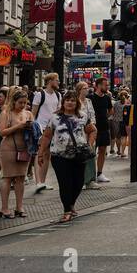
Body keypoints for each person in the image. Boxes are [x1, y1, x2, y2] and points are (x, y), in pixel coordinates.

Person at [37, 93, 96, 223]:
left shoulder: (82, 116)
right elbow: (47, 136)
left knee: (79, 182)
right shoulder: (55, 117)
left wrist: (89, 144)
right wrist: (41, 153)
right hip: (60, 155)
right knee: (65, 183)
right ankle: (67, 210)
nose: (70, 103)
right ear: (63, 102)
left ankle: (70, 204)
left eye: (73, 101)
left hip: (79, 154)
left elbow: (92, 130)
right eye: (67, 100)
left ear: (77, 103)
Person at [0, 90, 33, 219]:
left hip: (24, 148)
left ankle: (19, 207)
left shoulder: (28, 114)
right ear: (14, 101)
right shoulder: (6, 113)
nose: (22, 105)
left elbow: (33, 132)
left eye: (25, 102)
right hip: (9, 148)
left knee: (21, 178)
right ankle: (4, 208)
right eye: (20, 102)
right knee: (8, 177)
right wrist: (18, 126)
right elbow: (2, 132)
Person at [30, 73, 62, 193]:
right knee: (40, 153)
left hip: (52, 128)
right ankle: (38, 182)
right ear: (50, 81)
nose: (58, 82)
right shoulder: (40, 94)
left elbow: (58, 112)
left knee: (47, 155)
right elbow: (33, 112)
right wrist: (33, 128)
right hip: (41, 127)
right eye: (56, 80)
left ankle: (42, 182)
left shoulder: (58, 95)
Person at [90, 76, 114, 182]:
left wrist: (105, 117)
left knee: (102, 150)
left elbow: (111, 110)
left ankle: (99, 173)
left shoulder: (107, 98)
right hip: (93, 128)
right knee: (91, 151)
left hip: (104, 127)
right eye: (105, 84)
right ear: (99, 85)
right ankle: (90, 175)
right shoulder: (90, 97)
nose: (107, 86)